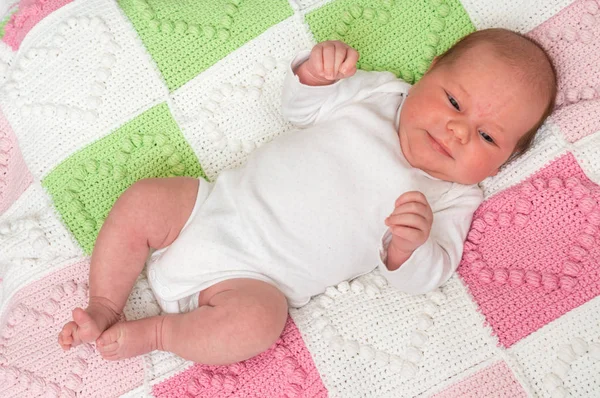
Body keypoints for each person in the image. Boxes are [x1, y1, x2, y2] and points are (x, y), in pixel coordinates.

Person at [58, 28, 556, 365]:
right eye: (453, 101)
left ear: (504, 161)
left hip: (250, 283)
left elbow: (429, 275)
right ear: (427, 73)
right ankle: (104, 303)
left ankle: (159, 334)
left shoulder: (452, 198)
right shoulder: (378, 94)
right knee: (144, 200)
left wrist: (409, 248)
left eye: (488, 138)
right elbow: (299, 109)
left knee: (259, 324)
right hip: (206, 210)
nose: (458, 131)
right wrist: (315, 76)